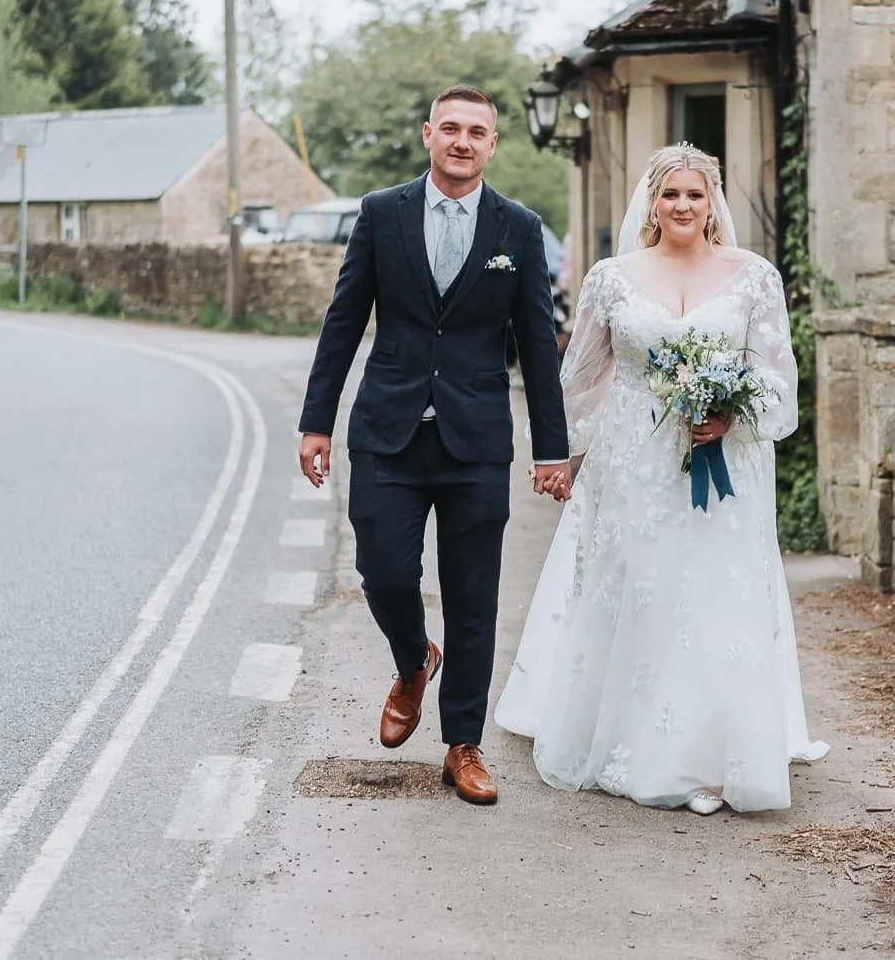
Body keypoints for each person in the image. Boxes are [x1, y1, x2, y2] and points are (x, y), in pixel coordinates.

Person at [495, 143, 829, 815]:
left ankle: (718, 746)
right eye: (671, 194)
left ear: (713, 204)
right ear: (652, 203)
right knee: (643, 590)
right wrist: (558, 455)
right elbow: (583, 376)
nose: (682, 206)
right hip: (632, 465)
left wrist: (732, 413)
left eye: (695, 195)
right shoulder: (611, 278)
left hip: (725, 466)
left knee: (714, 594)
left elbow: (777, 377)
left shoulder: (754, 276)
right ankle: (635, 740)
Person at [296, 84, 571, 807]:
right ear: (427, 134)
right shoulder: (381, 214)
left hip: (476, 438)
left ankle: (463, 745)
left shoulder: (519, 227)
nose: (462, 140)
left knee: (475, 597)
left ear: (492, 144)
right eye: (450, 127)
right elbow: (344, 317)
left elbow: (538, 349)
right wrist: (315, 420)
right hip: (387, 430)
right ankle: (414, 658)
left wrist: (552, 448)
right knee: (383, 572)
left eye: (476, 131)